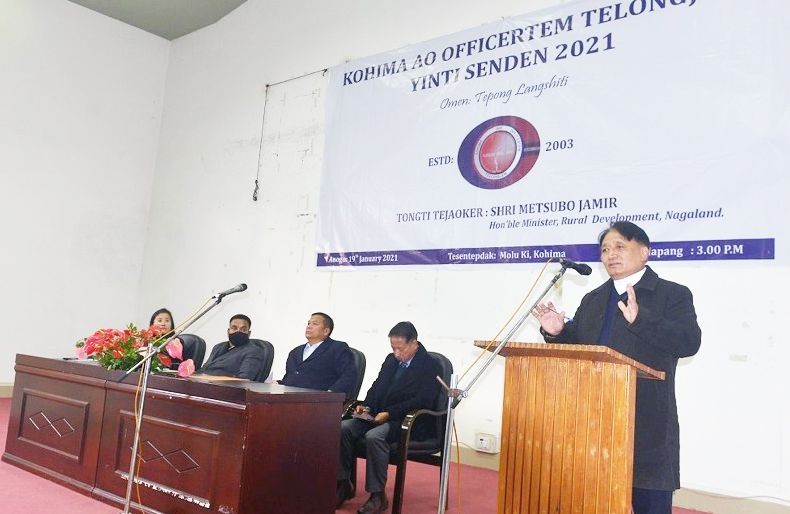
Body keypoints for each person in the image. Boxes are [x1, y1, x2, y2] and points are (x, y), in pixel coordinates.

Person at [533, 221, 701, 514]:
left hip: (645, 423)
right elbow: (585, 349)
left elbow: (689, 342)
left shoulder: (672, 294)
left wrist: (642, 319)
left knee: (649, 504)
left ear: (645, 252)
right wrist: (558, 332)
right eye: (605, 249)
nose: (611, 254)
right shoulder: (594, 299)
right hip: (593, 421)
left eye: (620, 246)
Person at [336, 321, 440, 513]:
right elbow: (377, 387)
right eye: (393, 348)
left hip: (407, 420)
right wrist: (365, 406)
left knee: (374, 437)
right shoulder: (391, 360)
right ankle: (343, 483)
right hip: (379, 415)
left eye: (400, 349)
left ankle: (377, 496)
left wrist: (390, 413)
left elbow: (424, 400)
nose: (397, 353)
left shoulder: (430, 366)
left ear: (414, 343)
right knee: (343, 429)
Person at [278, 312, 356, 398]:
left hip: (318, 402)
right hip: (289, 400)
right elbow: (290, 377)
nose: (309, 326)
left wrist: (330, 394)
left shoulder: (337, 348)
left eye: (315, 324)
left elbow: (349, 376)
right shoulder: (295, 352)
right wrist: (278, 384)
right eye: (308, 323)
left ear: (326, 331)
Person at [201, 314, 266, 380]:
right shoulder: (218, 347)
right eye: (234, 328)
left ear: (249, 333)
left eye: (243, 329)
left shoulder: (254, 351)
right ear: (228, 331)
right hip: (202, 384)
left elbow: (244, 379)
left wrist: (208, 378)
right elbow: (204, 369)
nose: (238, 331)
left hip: (225, 387)